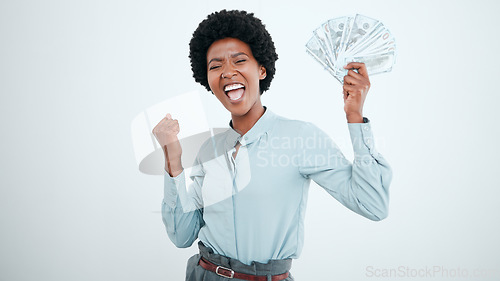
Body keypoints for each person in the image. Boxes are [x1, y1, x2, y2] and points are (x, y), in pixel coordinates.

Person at [152, 9, 392, 281]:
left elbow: (373, 205)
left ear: (261, 69)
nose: (228, 72)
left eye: (239, 60)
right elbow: (182, 236)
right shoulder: (209, 149)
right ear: (206, 79)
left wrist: (355, 118)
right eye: (215, 66)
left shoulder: (300, 138)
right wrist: (173, 160)